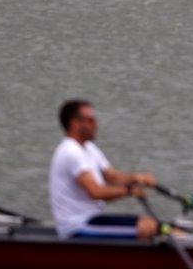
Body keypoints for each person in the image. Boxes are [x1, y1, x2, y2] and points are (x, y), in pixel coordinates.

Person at [49, 99, 162, 240]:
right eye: (90, 120)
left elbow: (111, 176)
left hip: (93, 219)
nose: (96, 125)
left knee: (150, 223)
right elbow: (95, 192)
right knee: (146, 229)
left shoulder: (89, 148)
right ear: (74, 123)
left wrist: (137, 178)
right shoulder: (70, 152)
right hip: (77, 227)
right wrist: (130, 190)